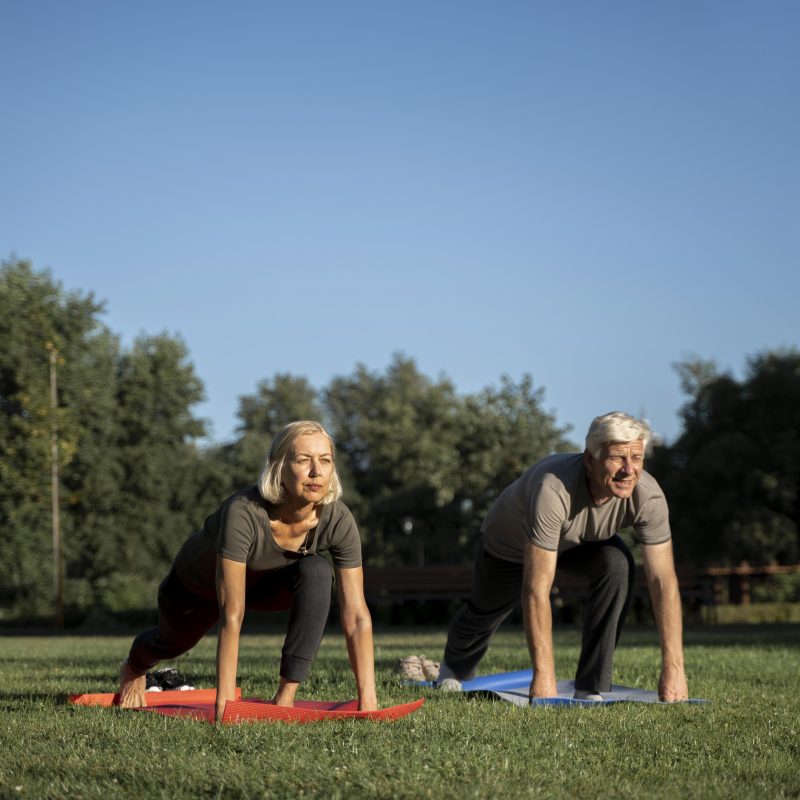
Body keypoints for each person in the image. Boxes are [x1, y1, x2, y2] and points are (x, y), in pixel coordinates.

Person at [119, 420, 377, 721]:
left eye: (325, 461)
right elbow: (232, 613)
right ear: (279, 467)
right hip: (195, 590)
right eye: (303, 460)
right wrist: (225, 707)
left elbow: (357, 616)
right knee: (173, 642)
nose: (316, 472)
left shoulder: (337, 519)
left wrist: (368, 701)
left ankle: (285, 696)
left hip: (266, 586)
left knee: (317, 571)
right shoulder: (243, 513)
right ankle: (134, 666)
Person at [436, 411, 689, 702]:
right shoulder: (553, 489)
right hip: (511, 546)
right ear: (590, 460)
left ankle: (591, 685)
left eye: (637, 457)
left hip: (578, 543)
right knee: (484, 613)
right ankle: (453, 668)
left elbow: (663, 582)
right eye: (617, 457)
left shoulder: (648, 495)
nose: (628, 470)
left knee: (617, 565)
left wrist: (674, 668)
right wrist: (544, 676)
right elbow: (536, 590)